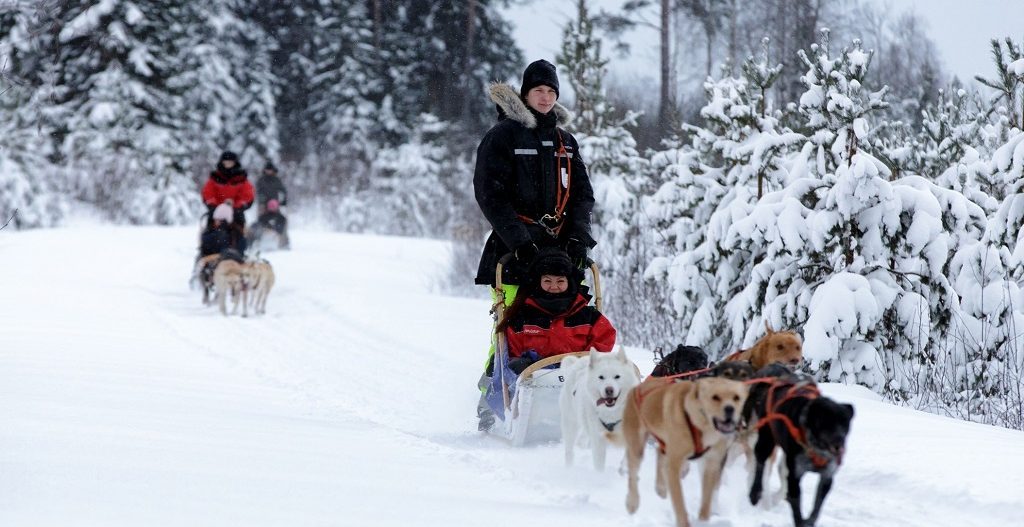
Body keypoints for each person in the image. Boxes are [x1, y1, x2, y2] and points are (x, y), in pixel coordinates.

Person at [473, 59, 598, 427]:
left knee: (566, 324)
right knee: (513, 325)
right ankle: (494, 395)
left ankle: (560, 396)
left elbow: (582, 196)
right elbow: (489, 194)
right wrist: (519, 240)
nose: (545, 97)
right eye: (538, 91)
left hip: (560, 254)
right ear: (525, 94)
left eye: (550, 91)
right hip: (513, 253)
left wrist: (578, 238)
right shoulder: (503, 136)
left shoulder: (566, 142)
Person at [496, 248, 616, 374]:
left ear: (569, 282)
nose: (554, 286)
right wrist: (521, 364)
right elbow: (513, 353)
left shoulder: (588, 316)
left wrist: (587, 363)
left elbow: (605, 338)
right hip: (535, 383)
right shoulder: (522, 317)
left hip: (578, 379)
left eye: (560, 281)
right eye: (547, 281)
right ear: (539, 281)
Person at [202, 151, 254, 227]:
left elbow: (247, 195)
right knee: (210, 231)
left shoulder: (241, 178)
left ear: (235, 163)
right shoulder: (215, 177)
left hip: (236, 212)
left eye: (230, 162)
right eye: (226, 162)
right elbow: (208, 193)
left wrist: (237, 207)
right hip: (216, 211)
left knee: (239, 231)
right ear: (222, 162)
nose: (228, 164)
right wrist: (215, 206)